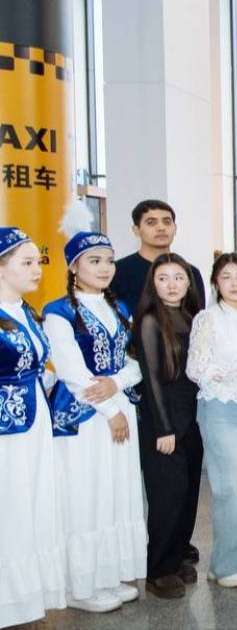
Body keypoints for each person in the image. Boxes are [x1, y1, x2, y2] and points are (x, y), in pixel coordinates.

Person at [44, 229, 145, 612]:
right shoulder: (59, 311)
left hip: (121, 405)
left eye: (108, 260)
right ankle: (80, 586)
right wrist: (110, 410)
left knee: (116, 492)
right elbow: (70, 369)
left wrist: (117, 384)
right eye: (94, 260)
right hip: (83, 417)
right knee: (86, 494)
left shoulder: (120, 308)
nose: (104, 268)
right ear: (73, 267)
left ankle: (107, 575)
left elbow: (136, 361)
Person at [186, 253, 237, 588]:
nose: (235, 283)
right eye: (226, 277)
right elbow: (196, 369)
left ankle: (230, 557)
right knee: (231, 486)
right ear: (216, 283)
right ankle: (227, 565)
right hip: (220, 407)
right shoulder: (208, 319)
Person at [0, 228, 65, 628]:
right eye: (26, 263)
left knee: (30, 501)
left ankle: (23, 596)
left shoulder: (25, 310)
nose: (37, 269)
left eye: (37, 261)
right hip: (6, 428)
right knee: (10, 505)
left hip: (34, 419)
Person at [133, 253, 204, 599]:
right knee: (167, 496)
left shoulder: (193, 317)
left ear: (189, 283)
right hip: (164, 421)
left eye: (179, 277)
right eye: (163, 278)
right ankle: (157, 569)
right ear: (153, 283)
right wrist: (163, 428)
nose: (172, 284)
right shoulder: (149, 321)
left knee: (189, 493)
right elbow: (152, 381)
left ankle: (175, 559)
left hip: (192, 418)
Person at [112, 199, 206, 315]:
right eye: (151, 222)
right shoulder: (117, 271)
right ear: (136, 230)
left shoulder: (190, 272)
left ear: (175, 228)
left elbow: (199, 320)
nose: (161, 228)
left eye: (167, 222)